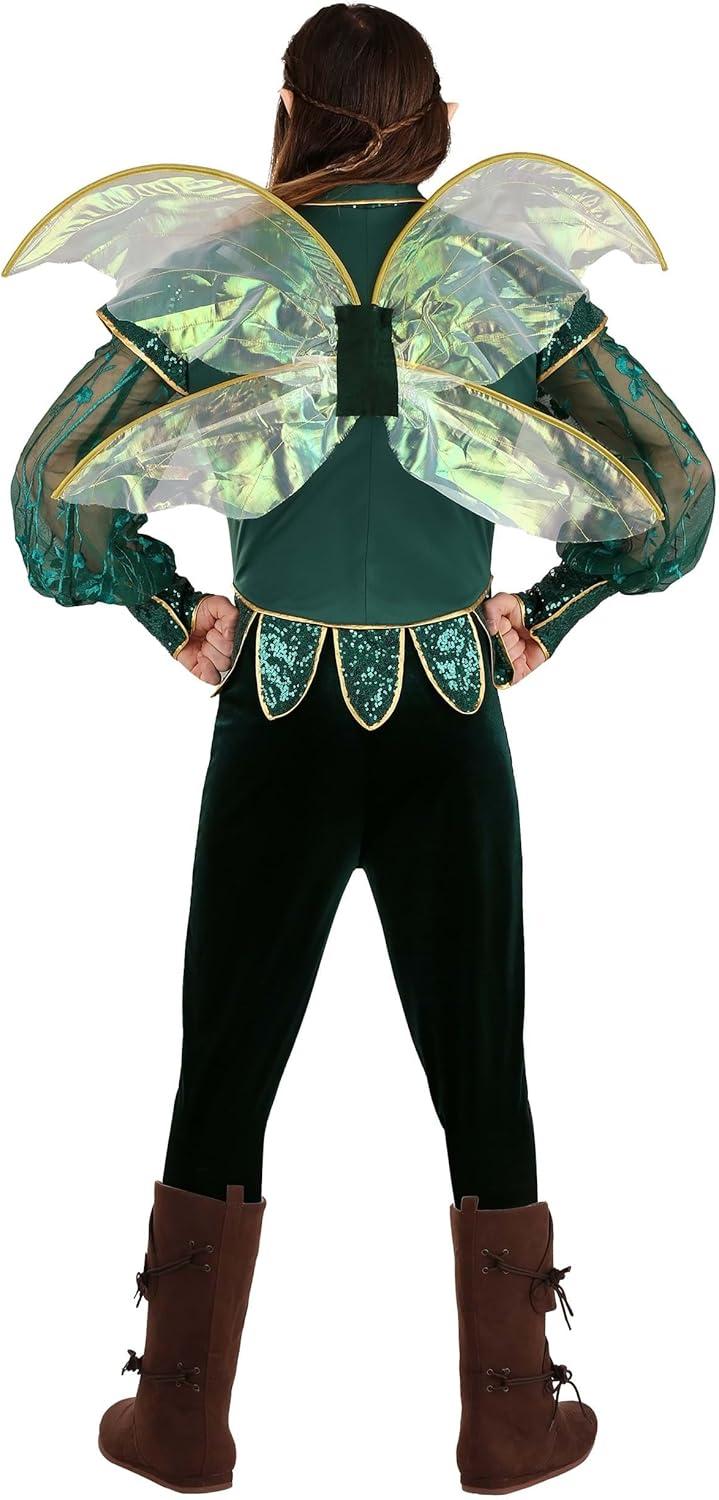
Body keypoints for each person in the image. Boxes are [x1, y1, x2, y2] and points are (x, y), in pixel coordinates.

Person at [5, 4, 713, 1494]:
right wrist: (555, 608)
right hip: (450, 707)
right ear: (434, 115)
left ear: (293, 111)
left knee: (226, 1055)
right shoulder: (499, 280)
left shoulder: (227, 273)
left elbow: (51, 494)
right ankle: (511, 1424)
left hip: (275, 708)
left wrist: (168, 606)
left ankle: (178, 1421)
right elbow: (675, 488)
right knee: (483, 1063)